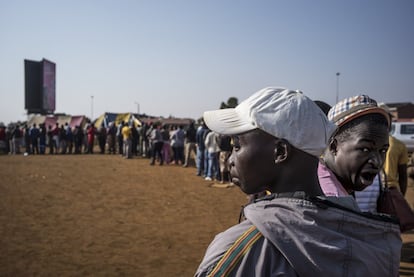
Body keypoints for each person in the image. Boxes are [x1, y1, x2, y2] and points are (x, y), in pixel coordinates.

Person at [195, 87, 401, 276]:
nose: (231, 159)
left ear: (280, 152)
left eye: (237, 145)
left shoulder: (239, 249)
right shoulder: (369, 238)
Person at [319, 95, 391, 198]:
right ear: (334, 147)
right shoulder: (333, 202)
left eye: (383, 151)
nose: (377, 161)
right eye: (365, 149)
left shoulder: (321, 181)